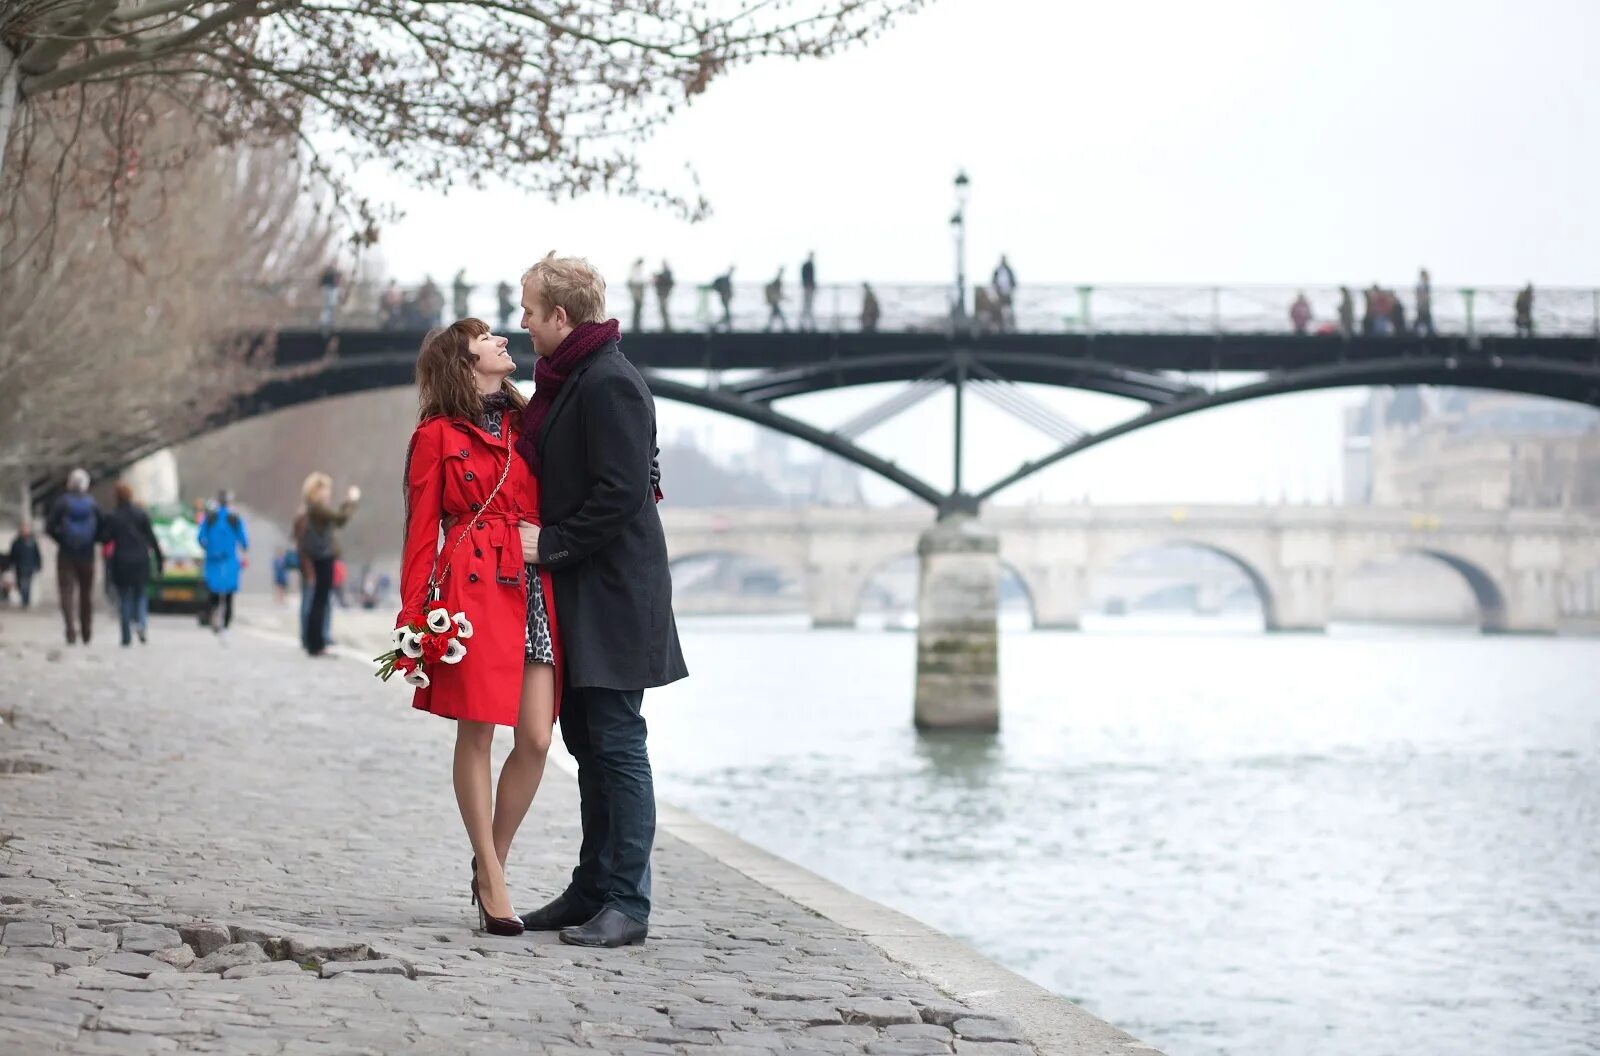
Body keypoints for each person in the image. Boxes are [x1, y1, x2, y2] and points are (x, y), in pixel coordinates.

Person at [513, 253, 686, 948]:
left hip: (615, 591)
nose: (521, 321)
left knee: (616, 743)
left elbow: (620, 493)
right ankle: (592, 887)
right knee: (587, 741)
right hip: (587, 589)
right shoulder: (574, 378)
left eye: (529, 309)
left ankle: (628, 902)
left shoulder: (610, 382)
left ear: (561, 315)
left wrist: (547, 544)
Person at [397, 317, 563, 938]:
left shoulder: (530, 422)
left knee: (538, 738)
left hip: (531, 584)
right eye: (486, 338)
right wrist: (414, 617)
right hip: (470, 589)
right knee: (478, 733)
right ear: (463, 362)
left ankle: (490, 857)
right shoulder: (436, 437)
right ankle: (494, 881)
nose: (501, 340)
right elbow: (420, 534)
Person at [298, 473, 359, 655]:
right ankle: (316, 644)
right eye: (325, 489)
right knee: (320, 600)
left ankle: (313, 641)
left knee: (319, 599)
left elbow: (335, 519)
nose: (328, 493)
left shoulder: (314, 508)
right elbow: (340, 519)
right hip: (323, 557)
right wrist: (351, 501)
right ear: (317, 490)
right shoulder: (317, 508)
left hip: (319, 557)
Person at [45, 468, 103, 645]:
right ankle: (86, 630)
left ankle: (70, 629)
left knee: (67, 593)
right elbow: (102, 526)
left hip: (66, 554)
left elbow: (49, 528)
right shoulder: (92, 504)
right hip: (87, 555)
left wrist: (62, 540)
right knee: (86, 594)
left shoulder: (62, 503)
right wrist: (93, 540)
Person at [104, 482, 163, 647]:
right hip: (140, 560)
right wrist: (159, 560)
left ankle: (125, 635)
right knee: (140, 595)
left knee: (124, 598)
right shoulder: (141, 514)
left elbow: (106, 537)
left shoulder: (113, 516)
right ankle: (141, 624)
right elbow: (152, 538)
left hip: (121, 560)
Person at [198, 490, 248, 639]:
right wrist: (243, 549)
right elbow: (244, 541)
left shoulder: (210, 518)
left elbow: (201, 537)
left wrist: (208, 547)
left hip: (213, 559)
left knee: (213, 591)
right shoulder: (234, 518)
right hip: (230, 560)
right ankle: (225, 624)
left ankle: (213, 614)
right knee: (229, 594)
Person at [7, 522, 42, 608]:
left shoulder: (32, 542)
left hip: (29, 567)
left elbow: (37, 554)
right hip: (19, 567)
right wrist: (10, 564)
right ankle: (24, 599)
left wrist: (38, 565)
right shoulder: (16, 542)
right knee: (20, 584)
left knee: (26, 584)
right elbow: (12, 554)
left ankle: (25, 601)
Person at [992, 255, 1017, 331]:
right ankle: (1001, 327)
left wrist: (1010, 290)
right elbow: (993, 282)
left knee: (1008, 310)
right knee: (999, 311)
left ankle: (1010, 326)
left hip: (1008, 293)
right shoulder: (997, 271)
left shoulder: (1009, 271)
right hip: (999, 294)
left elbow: (1013, 282)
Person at [710, 267, 735, 332]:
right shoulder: (724, 279)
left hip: (726, 296)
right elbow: (714, 286)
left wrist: (730, 295)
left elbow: (729, 290)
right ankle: (726, 321)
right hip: (724, 296)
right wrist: (720, 291)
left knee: (726, 309)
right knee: (726, 309)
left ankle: (727, 320)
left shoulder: (727, 279)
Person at [764, 267, 788, 332]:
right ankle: (785, 328)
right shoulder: (777, 280)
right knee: (779, 315)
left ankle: (768, 328)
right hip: (775, 301)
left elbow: (777, 291)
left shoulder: (777, 280)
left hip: (775, 301)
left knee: (774, 315)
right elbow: (776, 291)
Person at [652, 261, 674, 332]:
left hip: (664, 294)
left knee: (663, 309)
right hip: (662, 293)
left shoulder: (667, 273)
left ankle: (667, 326)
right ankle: (666, 325)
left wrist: (658, 277)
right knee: (663, 310)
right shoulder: (666, 273)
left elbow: (667, 282)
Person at [319, 263, 340, 331]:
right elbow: (322, 282)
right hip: (329, 289)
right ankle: (325, 322)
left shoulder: (327, 273)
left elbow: (321, 283)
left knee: (330, 307)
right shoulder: (328, 274)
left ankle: (328, 322)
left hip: (330, 289)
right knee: (328, 306)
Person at [799, 252, 817, 331]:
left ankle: (806, 324)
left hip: (809, 287)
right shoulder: (807, 265)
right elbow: (805, 276)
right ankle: (804, 324)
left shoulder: (810, 265)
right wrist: (807, 285)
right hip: (808, 287)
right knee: (807, 306)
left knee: (808, 306)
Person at [627, 259, 647, 332]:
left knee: (638, 307)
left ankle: (636, 325)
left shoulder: (636, 268)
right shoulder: (636, 268)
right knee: (637, 306)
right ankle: (636, 325)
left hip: (638, 287)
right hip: (637, 287)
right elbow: (636, 280)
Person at [1414, 269, 1435, 337]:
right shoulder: (1421, 285)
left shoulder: (1425, 285)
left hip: (1424, 308)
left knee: (1426, 323)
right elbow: (1420, 296)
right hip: (1422, 308)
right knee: (1423, 322)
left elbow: (1426, 297)